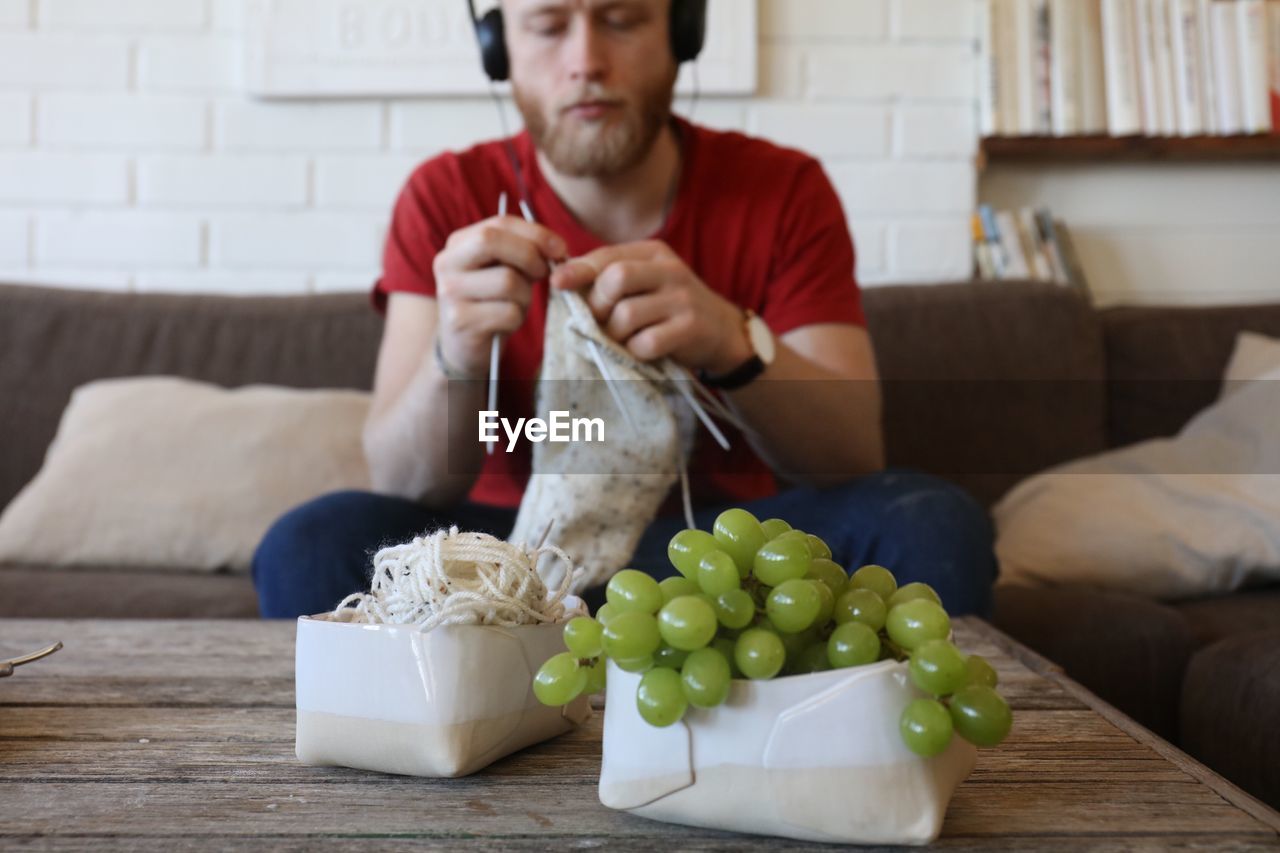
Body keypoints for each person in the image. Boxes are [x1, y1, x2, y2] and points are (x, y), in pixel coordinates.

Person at [252, 0, 996, 619]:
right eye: (547, 25)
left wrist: (734, 343)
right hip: (509, 554)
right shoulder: (445, 196)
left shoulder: (783, 189)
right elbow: (403, 479)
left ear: (682, 32)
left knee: (933, 520)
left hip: (728, 552)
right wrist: (457, 350)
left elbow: (852, 457)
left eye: (622, 18)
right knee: (310, 542)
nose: (585, 61)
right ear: (498, 45)